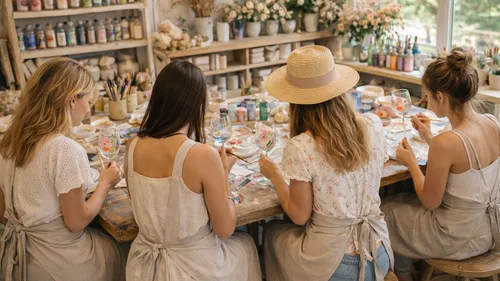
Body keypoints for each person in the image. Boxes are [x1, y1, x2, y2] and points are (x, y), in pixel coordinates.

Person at [259, 45, 393, 281]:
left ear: (295, 102)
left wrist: (275, 176)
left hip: (337, 264)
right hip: (379, 251)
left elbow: (299, 216)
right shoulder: (372, 124)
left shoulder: (301, 146)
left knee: (271, 234)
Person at [124, 60, 261, 281]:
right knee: (245, 243)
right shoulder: (201, 155)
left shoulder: (132, 146)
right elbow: (225, 229)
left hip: (143, 265)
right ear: (197, 105)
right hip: (192, 268)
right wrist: (223, 175)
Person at [0, 58, 126, 281]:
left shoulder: (9, 141)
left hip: (19, 258)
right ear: (71, 100)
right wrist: (105, 184)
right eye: (88, 101)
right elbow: (76, 222)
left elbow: (2, 213)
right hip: (58, 262)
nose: (88, 109)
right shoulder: (64, 149)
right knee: (126, 250)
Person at [382, 48, 500, 281]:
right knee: (404, 198)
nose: (424, 101)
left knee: (385, 211)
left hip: (460, 237)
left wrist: (412, 163)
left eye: (426, 96)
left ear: (441, 96)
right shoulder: (491, 122)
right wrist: (429, 137)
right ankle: (408, 267)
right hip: (492, 229)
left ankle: (403, 274)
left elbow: (430, 201)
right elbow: (467, 162)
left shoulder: (446, 143)